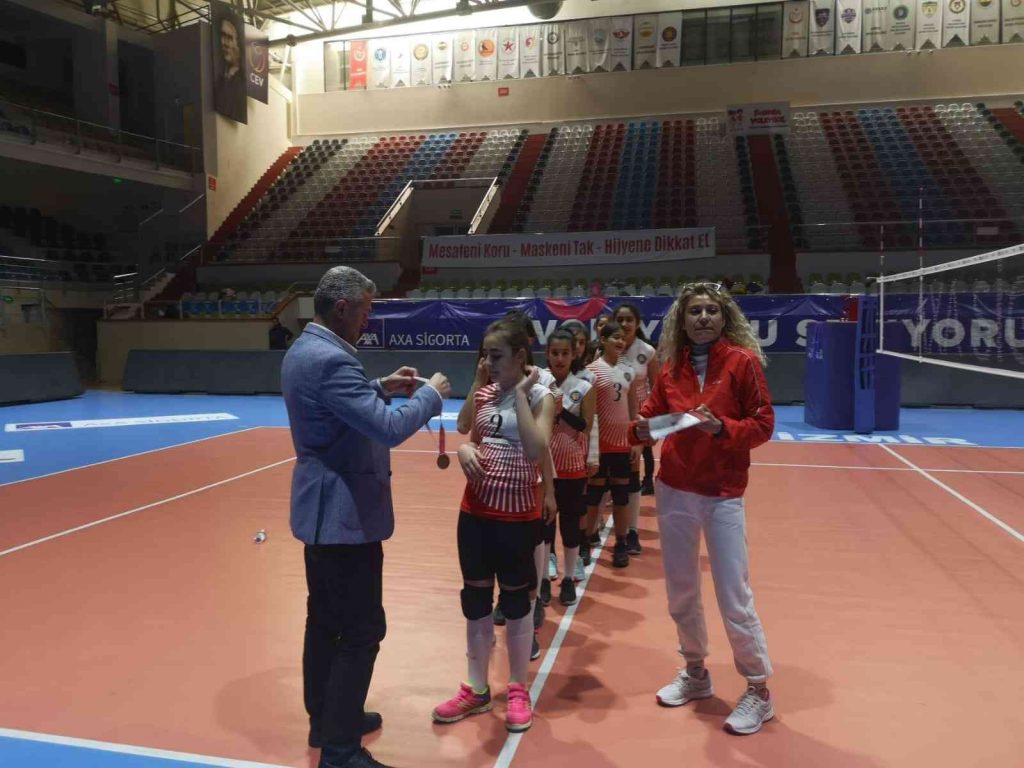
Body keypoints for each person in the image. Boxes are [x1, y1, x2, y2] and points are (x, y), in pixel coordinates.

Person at [281, 266, 451, 768]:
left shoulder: (303, 349)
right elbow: (387, 429)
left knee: (323, 622)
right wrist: (430, 395)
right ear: (342, 308)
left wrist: (379, 385)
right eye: (364, 310)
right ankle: (340, 751)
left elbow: (336, 404)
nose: (368, 320)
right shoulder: (333, 360)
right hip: (344, 517)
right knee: (361, 631)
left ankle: (326, 721)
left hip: (320, 514)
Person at [630, 282, 775, 736]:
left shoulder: (742, 362)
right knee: (681, 590)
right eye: (695, 311)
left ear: (724, 316)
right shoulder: (671, 368)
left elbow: (763, 424)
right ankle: (695, 672)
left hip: (723, 492)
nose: (703, 318)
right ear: (683, 319)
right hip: (674, 488)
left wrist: (721, 429)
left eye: (712, 310)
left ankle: (759, 690)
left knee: (734, 594)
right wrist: (641, 428)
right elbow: (652, 416)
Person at [432, 318, 556, 733]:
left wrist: (518, 392)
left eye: (497, 355)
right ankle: (477, 688)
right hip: (476, 513)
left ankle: (518, 688)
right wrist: (464, 450)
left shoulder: (541, 395)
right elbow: (467, 430)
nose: (489, 362)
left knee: (517, 603)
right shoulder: (485, 392)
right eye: (485, 355)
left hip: (517, 517)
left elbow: (536, 450)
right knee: (475, 600)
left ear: (520, 357)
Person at [543, 329, 596, 601]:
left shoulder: (584, 387)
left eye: (565, 353)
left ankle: (567, 579)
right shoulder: (539, 382)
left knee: (571, 523)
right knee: (544, 523)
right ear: (547, 354)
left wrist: (561, 410)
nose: (560, 358)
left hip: (573, 466)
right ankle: (544, 575)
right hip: (544, 466)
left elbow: (586, 426)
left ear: (574, 354)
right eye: (555, 353)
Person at [582, 320, 638, 569]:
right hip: (599, 447)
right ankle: (585, 542)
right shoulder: (591, 371)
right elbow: (588, 412)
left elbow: (633, 408)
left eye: (622, 338)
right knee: (593, 498)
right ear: (603, 340)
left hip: (622, 445)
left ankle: (621, 543)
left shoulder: (629, 371)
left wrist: (635, 441)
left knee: (621, 497)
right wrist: (590, 448)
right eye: (615, 337)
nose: (620, 341)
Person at [614, 303, 660, 560]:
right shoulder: (604, 350)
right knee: (606, 479)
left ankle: (631, 532)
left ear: (637, 323)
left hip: (637, 422)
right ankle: (594, 533)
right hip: (609, 421)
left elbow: (658, 390)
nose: (624, 324)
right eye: (619, 319)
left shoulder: (647, 352)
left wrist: (650, 426)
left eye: (628, 319)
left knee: (632, 476)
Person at [214, 13, 247, 122]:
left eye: (230, 38)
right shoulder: (221, 76)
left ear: (238, 44)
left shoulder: (241, 82)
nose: (225, 43)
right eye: (223, 35)